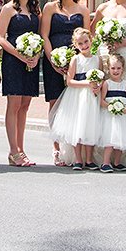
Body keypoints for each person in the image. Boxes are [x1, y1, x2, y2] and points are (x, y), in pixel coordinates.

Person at [41, 0, 90, 165]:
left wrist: (82, 61)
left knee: (75, 104)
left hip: (76, 63)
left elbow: (88, 38)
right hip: (54, 60)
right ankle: (56, 148)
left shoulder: (83, 10)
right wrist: (53, 59)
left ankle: (73, 148)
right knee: (55, 102)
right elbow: (44, 34)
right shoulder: (50, 8)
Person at [0, 0, 42, 167]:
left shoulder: (35, 10)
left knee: (25, 106)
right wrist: (19, 55)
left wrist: (36, 56)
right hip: (13, 61)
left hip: (31, 61)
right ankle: (13, 150)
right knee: (14, 105)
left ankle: (21, 149)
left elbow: (41, 35)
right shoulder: (8, 9)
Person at [47, 27, 104, 170]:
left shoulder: (97, 60)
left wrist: (98, 85)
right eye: (80, 44)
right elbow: (69, 81)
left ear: (91, 40)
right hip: (77, 97)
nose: (84, 46)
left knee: (90, 126)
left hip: (92, 97)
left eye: (86, 42)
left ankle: (89, 159)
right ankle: (78, 159)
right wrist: (87, 83)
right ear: (75, 45)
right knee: (77, 127)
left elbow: (102, 77)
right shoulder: (76, 59)